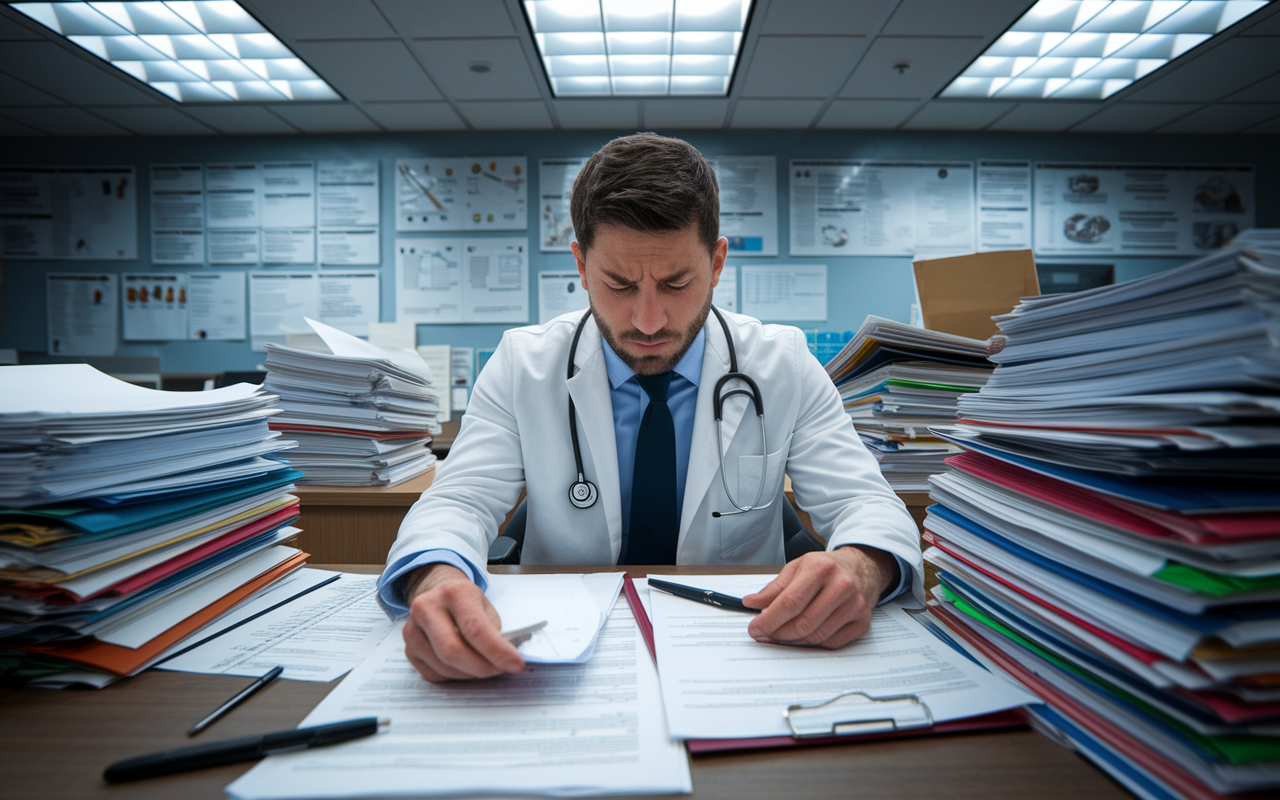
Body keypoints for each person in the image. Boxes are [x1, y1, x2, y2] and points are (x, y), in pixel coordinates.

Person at [377, 133, 924, 683]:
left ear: (716, 263)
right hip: (554, 652)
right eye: (617, 284)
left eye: (676, 282)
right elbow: (459, 500)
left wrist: (861, 565)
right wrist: (436, 576)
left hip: (738, 645)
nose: (647, 321)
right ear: (581, 266)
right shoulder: (524, 364)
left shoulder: (781, 363)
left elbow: (864, 501)